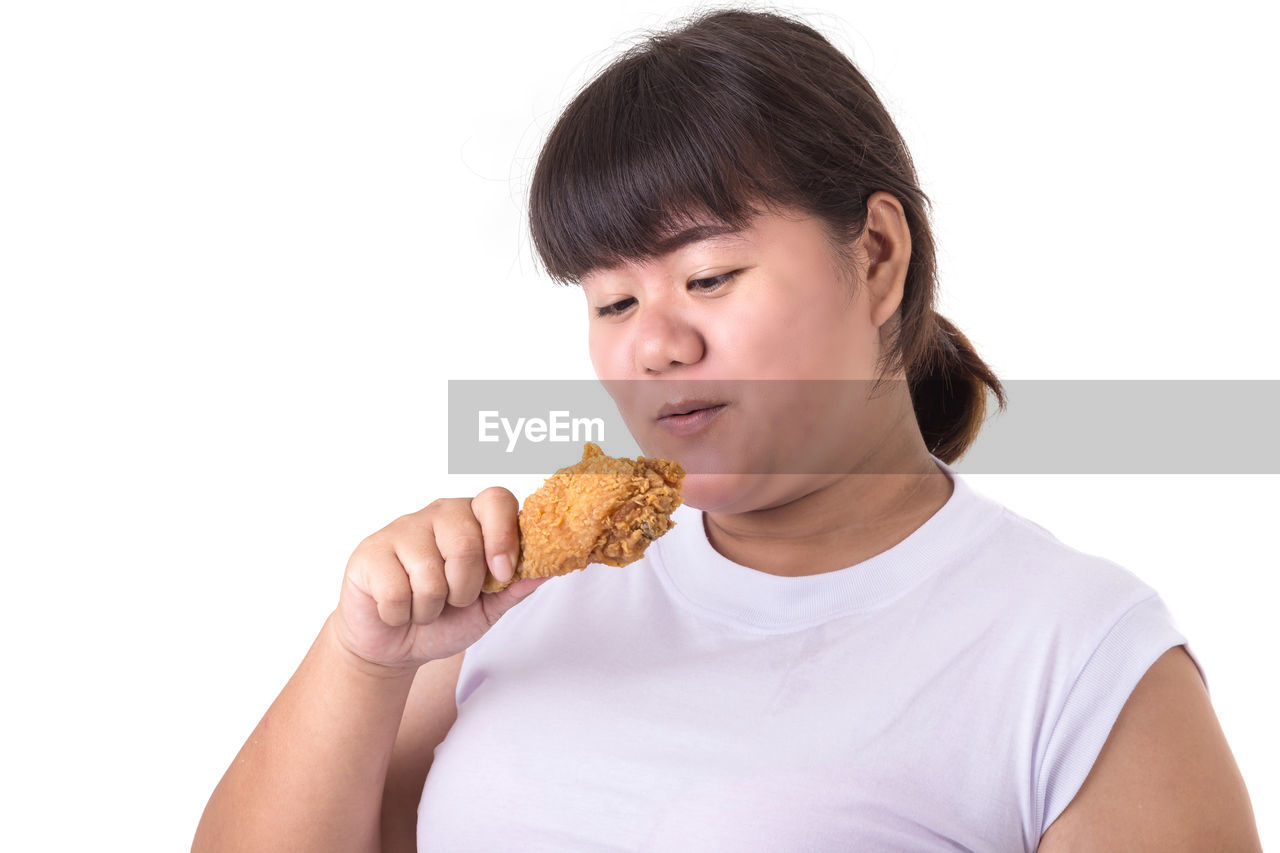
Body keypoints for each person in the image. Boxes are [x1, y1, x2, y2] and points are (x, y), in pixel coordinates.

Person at [193, 9, 1262, 852]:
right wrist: (364, 657)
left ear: (877, 256)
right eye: (610, 303)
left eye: (707, 276)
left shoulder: (1078, 658)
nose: (654, 343)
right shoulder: (514, 593)